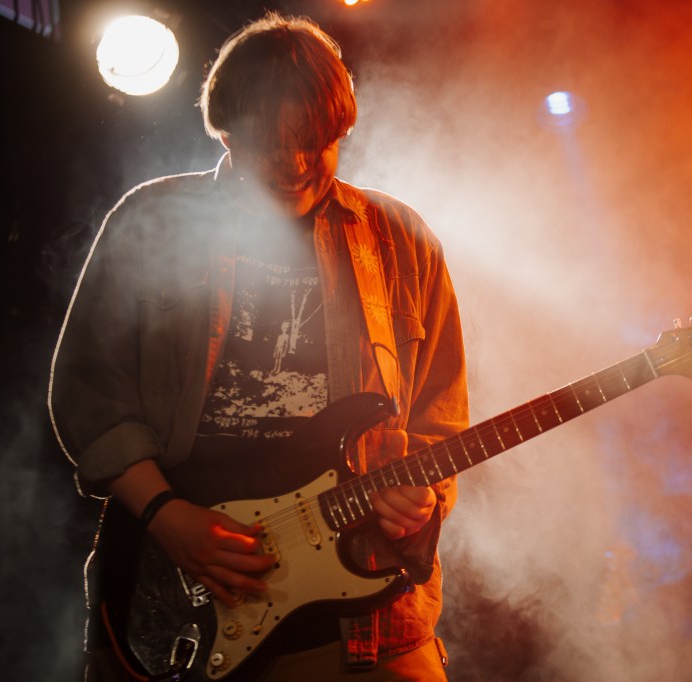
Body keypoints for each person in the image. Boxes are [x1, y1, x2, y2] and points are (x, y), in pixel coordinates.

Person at [47, 10, 469, 682]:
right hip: (183, 596)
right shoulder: (153, 221)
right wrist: (166, 515)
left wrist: (422, 496)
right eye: (271, 144)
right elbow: (89, 397)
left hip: (372, 619)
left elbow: (439, 421)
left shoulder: (401, 239)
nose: (295, 165)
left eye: (315, 143)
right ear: (225, 129)